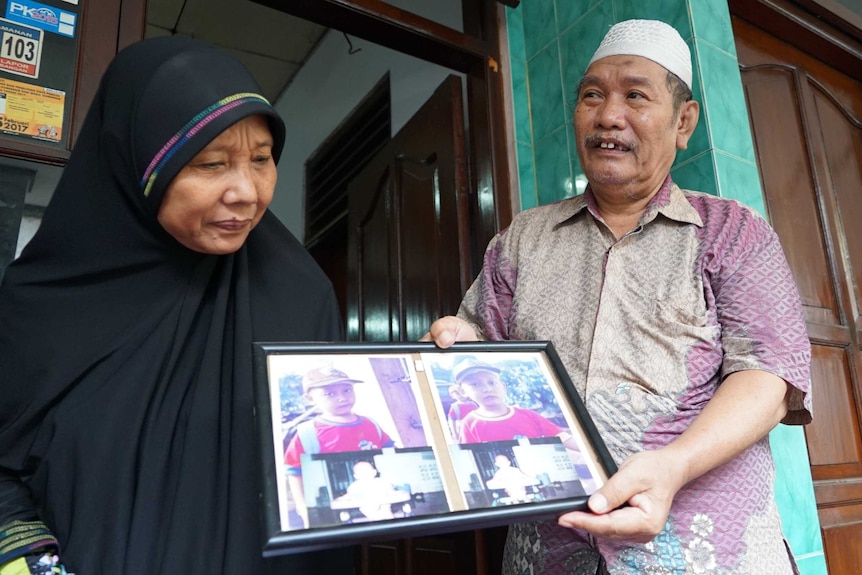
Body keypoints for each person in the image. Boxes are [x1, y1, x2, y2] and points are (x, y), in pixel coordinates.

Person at [422, 19, 812, 575]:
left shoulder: (732, 232)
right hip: (550, 553)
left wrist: (673, 465)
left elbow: (770, 376)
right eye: (592, 96)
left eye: (635, 95)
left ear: (683, 122)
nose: (608, 115)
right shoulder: (520, 241)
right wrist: (459, 343)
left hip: (708, 553)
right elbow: (481, 344)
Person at [0, 36, 354, 574]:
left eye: (261, 160)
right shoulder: (40, 307)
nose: (247, 192)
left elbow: (331, 464)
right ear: (138, 166)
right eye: (212, 163)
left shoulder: (303, 297)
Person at [284, 366, 395, 527]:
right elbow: (295, 474)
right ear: (310, 398)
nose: (342, 398)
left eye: (347, 390)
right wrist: (305, 512)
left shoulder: (371, 424)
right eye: (329, 393)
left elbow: (391, 454)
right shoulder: (307, 433)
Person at [452, 359, 582, 454]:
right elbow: (468, 455)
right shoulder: (469, 424)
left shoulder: (527, 415)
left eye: (492, 382)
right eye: (474, 385)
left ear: (503, 386)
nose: (486, 389)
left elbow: (564, 438)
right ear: (463, 391)